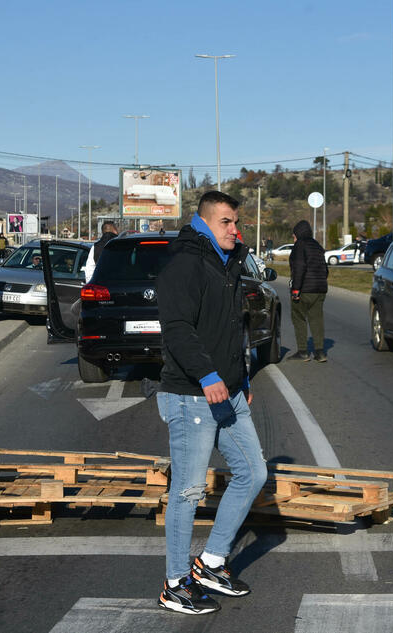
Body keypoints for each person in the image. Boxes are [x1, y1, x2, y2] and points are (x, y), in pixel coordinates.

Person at [154, 190, 266, 616]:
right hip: (190, 394)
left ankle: (211, 563)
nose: (235, 230)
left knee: (253, 472)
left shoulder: (229, 263)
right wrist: (208, 375)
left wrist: (241, 375)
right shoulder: (186, 262)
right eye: (226, 222)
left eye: (237, 222)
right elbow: (178, 327)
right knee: (188, 491)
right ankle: (175, 583)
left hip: (228, 392)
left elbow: (234, 327)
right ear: (203, 222)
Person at [288, 219, 329, 362]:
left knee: (298, 317)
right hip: (320, 289)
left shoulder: (300, 245)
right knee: (317, 319)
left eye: (294, 236)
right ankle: (320, 352)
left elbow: (299, 267)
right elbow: (325, 269)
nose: (293, 239)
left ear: (298, 234)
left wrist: (295, 289)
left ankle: (303, 352)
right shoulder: (317, 246)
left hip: (304, 289)